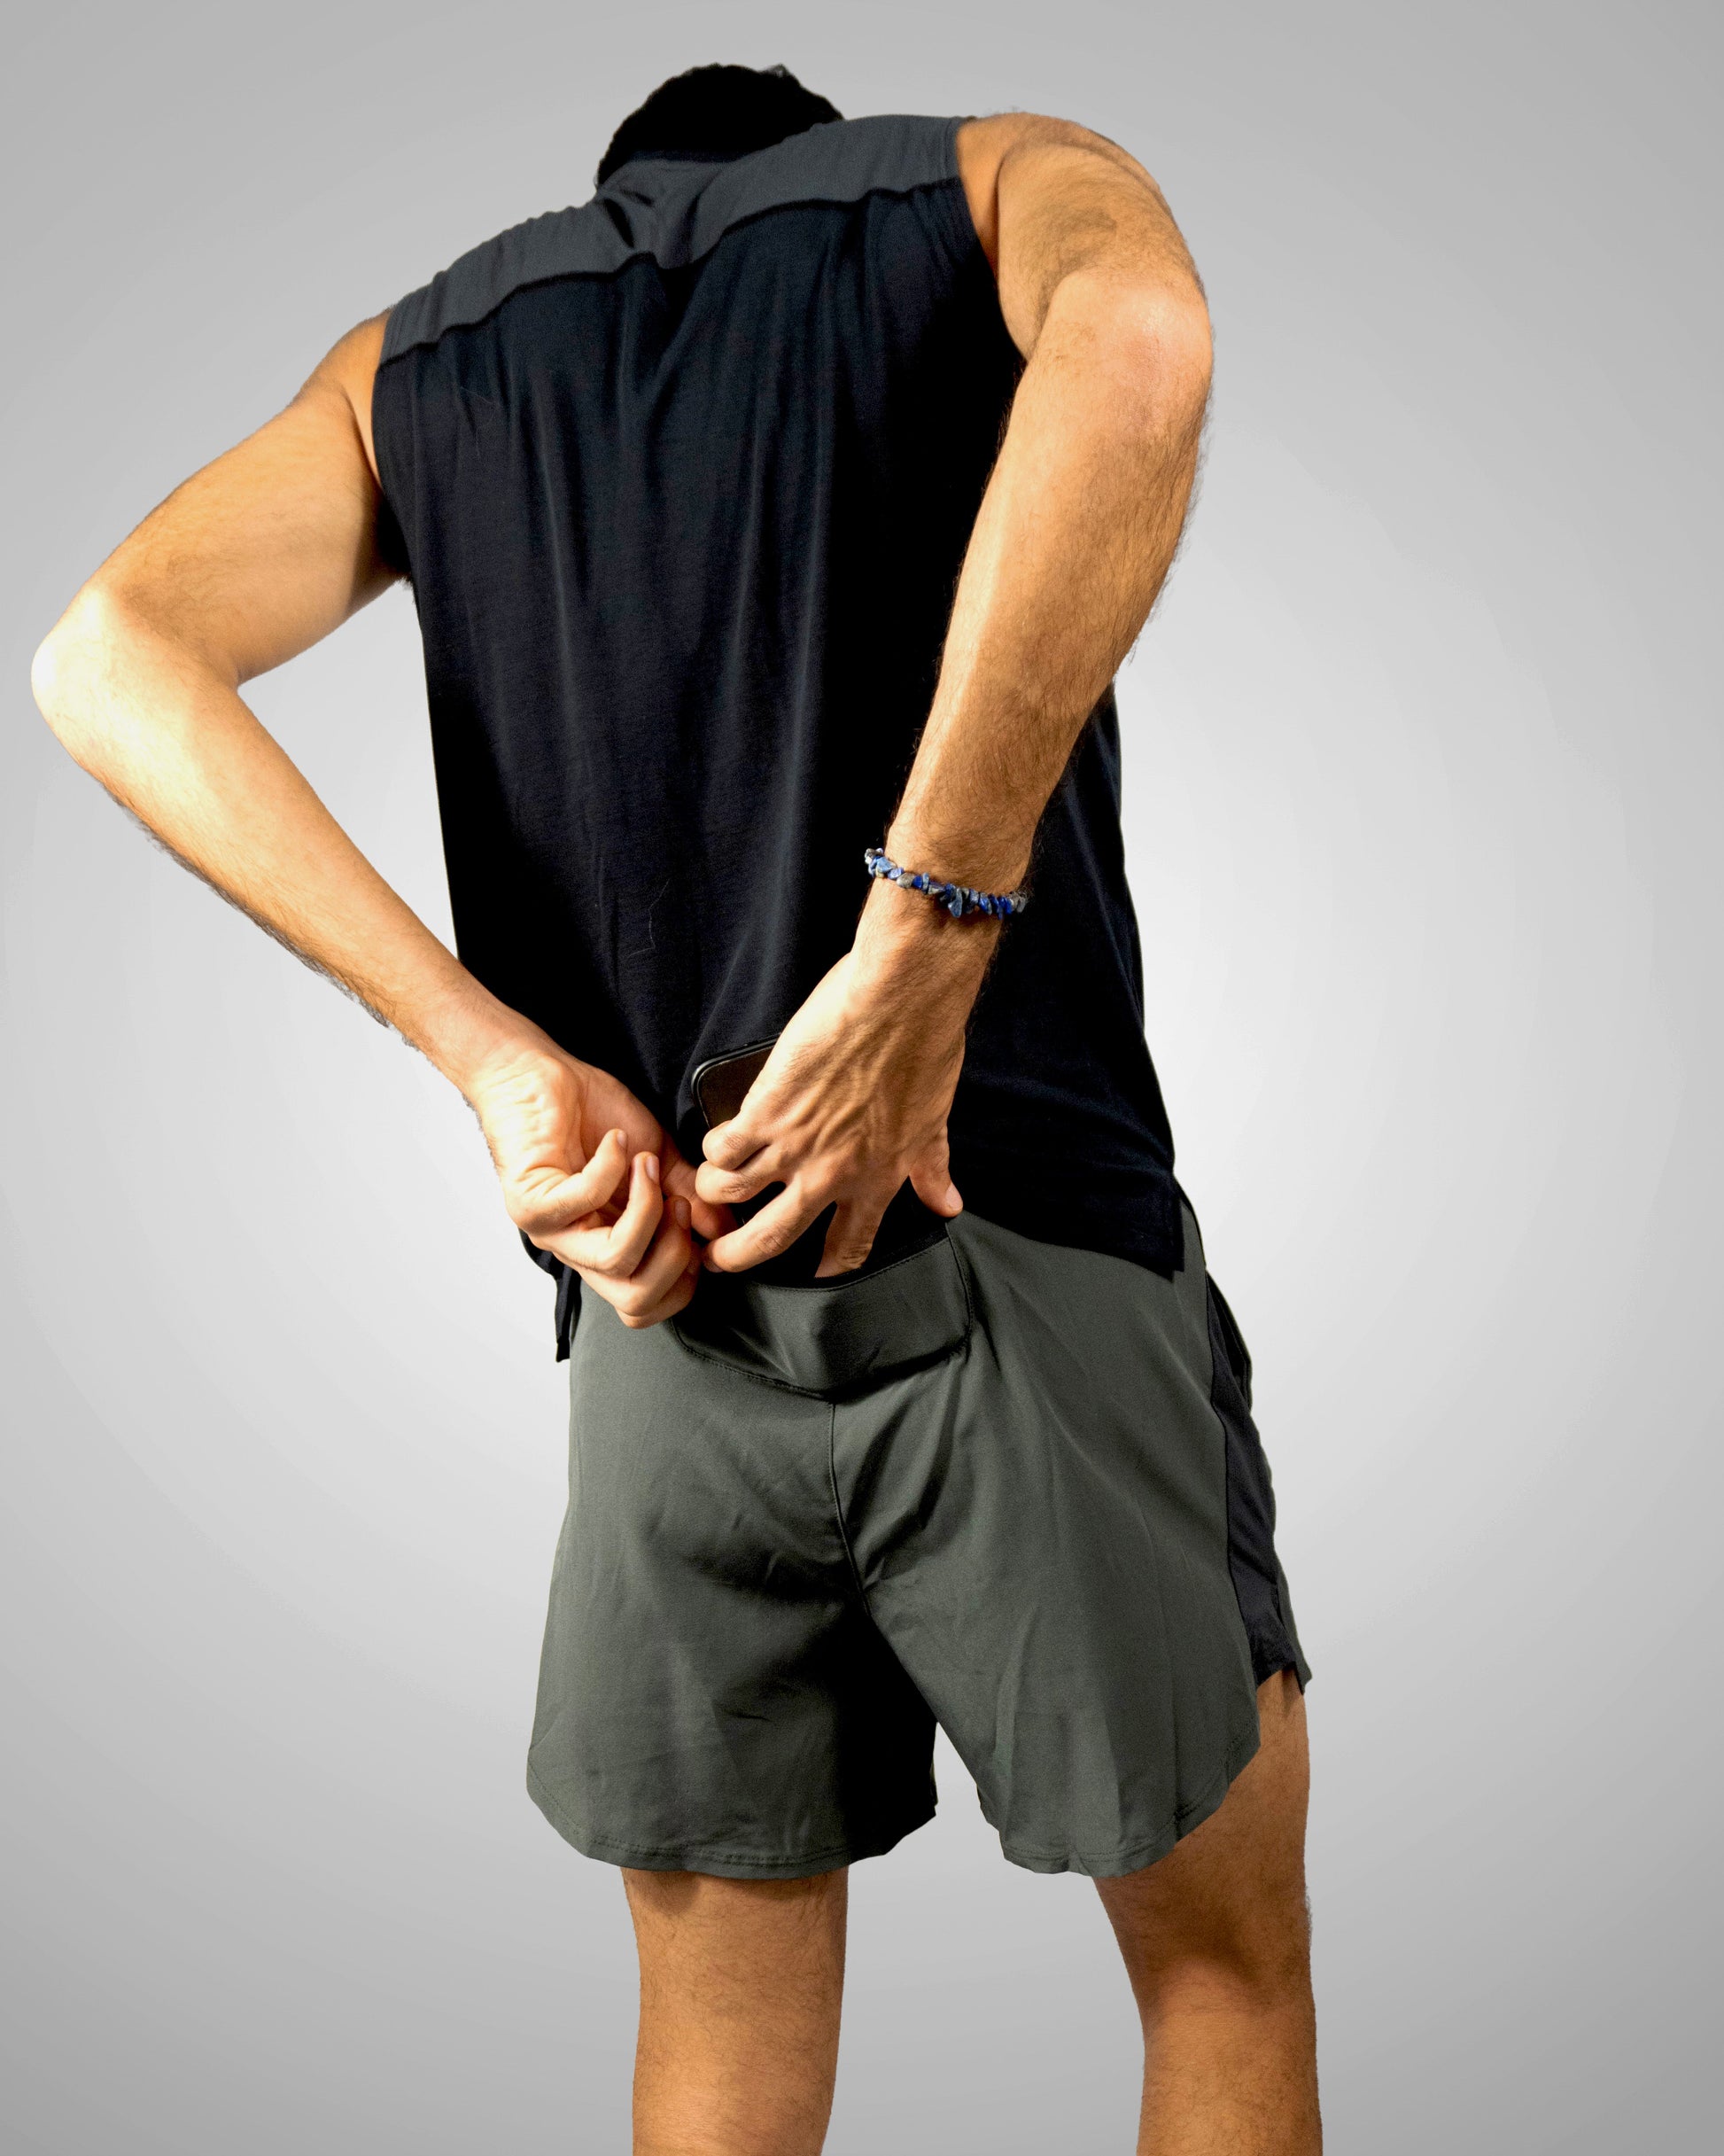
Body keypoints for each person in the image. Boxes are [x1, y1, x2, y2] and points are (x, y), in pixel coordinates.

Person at [32, 61, 1319, 2155]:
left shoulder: (415, 366)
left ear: (622, 191)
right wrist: (924, 931)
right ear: (810, 150)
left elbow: (104, 654)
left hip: (661, 1307)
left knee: (719, 2066)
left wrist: (488, 1057)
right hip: (1019, 1244)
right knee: (1219, 1971)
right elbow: (1145, 341)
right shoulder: (992, 184)